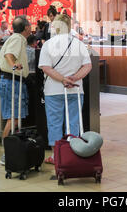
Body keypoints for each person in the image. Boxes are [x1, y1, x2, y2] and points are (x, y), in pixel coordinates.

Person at [38, 14, 92, 164]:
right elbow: (88, 66)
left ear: (55, 26)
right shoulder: (79, 44)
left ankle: (57, 156)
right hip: (75, 89)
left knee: (55, 123)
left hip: (53, 91)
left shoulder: (48, 44)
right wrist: (73, 78)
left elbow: (46, 68)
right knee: (73, 122)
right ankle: (73, 153)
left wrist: (62, 79)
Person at [0, 16, 31, 165]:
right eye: (29, 26)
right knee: (14, 119)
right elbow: (9, 55)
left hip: (11, 81)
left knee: (13, 119)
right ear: (26, 28)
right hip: (12, 81)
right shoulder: (17, 39)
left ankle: (9, 152)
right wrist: (14, 65)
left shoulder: (15, 38)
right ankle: (7, 154)